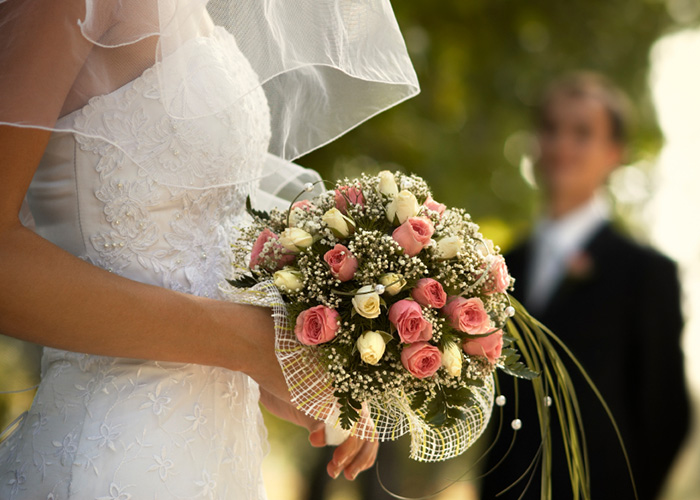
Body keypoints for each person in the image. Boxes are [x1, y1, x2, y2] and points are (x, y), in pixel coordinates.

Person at [0, 0, 419, 498]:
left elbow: (191, 247)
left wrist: (287, 365)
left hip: (219, 455)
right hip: (110, 462)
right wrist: (252, 345)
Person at [480, 72, 690, 499]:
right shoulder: (497, 268)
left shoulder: (646, 274)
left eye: (582, 133)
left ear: (615, 152)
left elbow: (667, 414)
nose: (562, 146)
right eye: (551, 129)